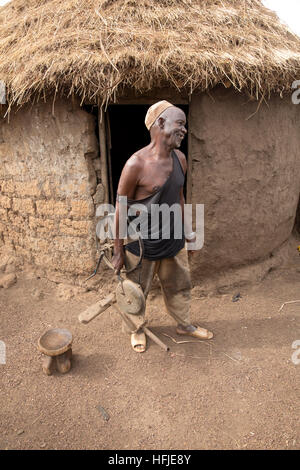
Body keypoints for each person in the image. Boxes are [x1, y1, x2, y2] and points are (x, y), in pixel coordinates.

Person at [112, 100, 213, 352]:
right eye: (180, 123)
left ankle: (184, 324)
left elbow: (179, 198)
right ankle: (136, 329)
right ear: (160, 123)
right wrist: (118, 249)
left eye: (185, 125)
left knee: (180, 285)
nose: (184, 130)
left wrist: (189, 233)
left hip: (173, 240)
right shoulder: (136, 164)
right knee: (136, 291)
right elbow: (120, 208)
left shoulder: (180, 158)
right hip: (141, 245)